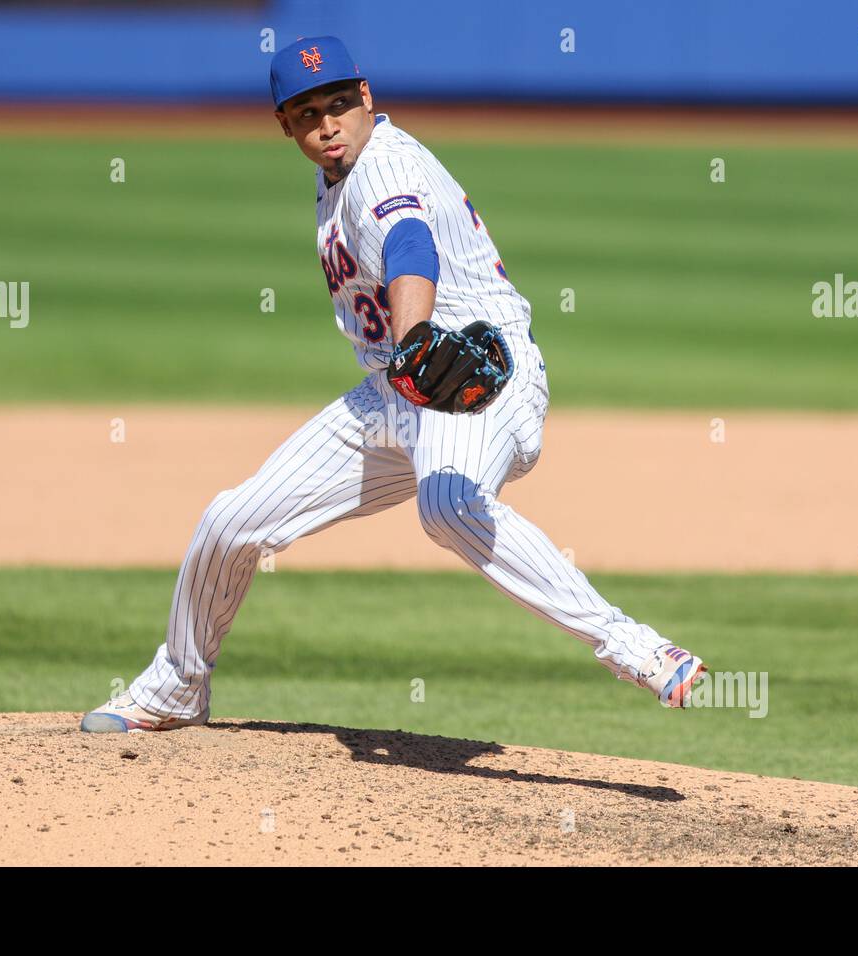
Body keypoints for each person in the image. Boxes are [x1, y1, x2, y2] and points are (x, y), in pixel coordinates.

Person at [80, 36, 706, 733]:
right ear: (284, 125)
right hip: (398, 394)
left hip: (478, 374)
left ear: (367, 97)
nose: (328, 122)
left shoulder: (382, 167)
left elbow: (411, 243)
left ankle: (636, 648)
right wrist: (405, 365)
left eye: (341, 103)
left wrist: (412, 341)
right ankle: (175, 689)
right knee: (232, 522)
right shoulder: (335, 174)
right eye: (307, 111)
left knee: (446, 505)